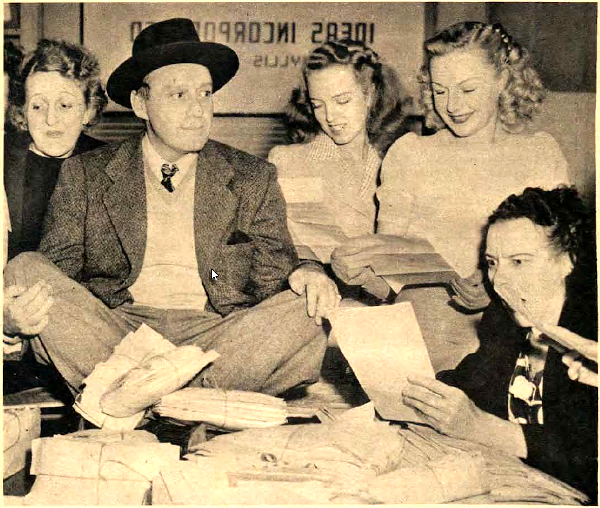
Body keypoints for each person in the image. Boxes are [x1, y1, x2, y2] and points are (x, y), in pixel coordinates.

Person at [3, 18, 339, 398]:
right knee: (25, 269)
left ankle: (138, 394)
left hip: (217, 335)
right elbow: (55, 278)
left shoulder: (251, 175)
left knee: (310, 307)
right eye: (179, 95)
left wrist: (309, 272)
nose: (198, 110)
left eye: (205, 94)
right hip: (119, 333)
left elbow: (275, 278)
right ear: (140, 103)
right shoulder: (86, 172)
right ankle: (189, 396)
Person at [331, 21, 570, 370]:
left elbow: (562, 265)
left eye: (467, 90)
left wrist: (496, 285)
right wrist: (358, 270)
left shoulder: (540, 154)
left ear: (502, 81)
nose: (452, 105)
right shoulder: (410, 153)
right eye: (440, 91)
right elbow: (390, 276)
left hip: (516, 320)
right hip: (427, 322)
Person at [402, 186, 597, 501]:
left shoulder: (591, 331)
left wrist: (481, 428)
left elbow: (587, 453)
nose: (499, 279)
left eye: (518, 262)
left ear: (568, 262)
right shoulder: (503, 317)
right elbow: (473, 383)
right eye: (492, 263)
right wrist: (414, 386)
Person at [3, 39, 107, 396]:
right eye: (37, 105)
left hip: (86, 343)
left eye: (65, 105)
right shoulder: (4, 161)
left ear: (88, 110)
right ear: (20, 110)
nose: (51, 119)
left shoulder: (113, 167)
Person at [268, 39, 407, 263]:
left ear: (370, 95)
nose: (330, 117)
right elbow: (285, 244)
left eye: (342, 101)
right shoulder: (289, 161)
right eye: (318, 105)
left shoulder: (397, 160)